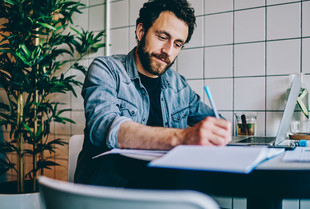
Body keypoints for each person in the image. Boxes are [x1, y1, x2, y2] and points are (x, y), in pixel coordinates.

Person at [74, 0, 231, 186]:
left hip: (165, 193)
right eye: (163, 37)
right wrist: (182, 137)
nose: (168, 51)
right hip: (112, 194)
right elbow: (103, 126)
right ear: (141, 32)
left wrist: (220, 130)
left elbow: (214, 124)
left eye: (178, 44)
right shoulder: (106, 69)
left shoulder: (178, 85)